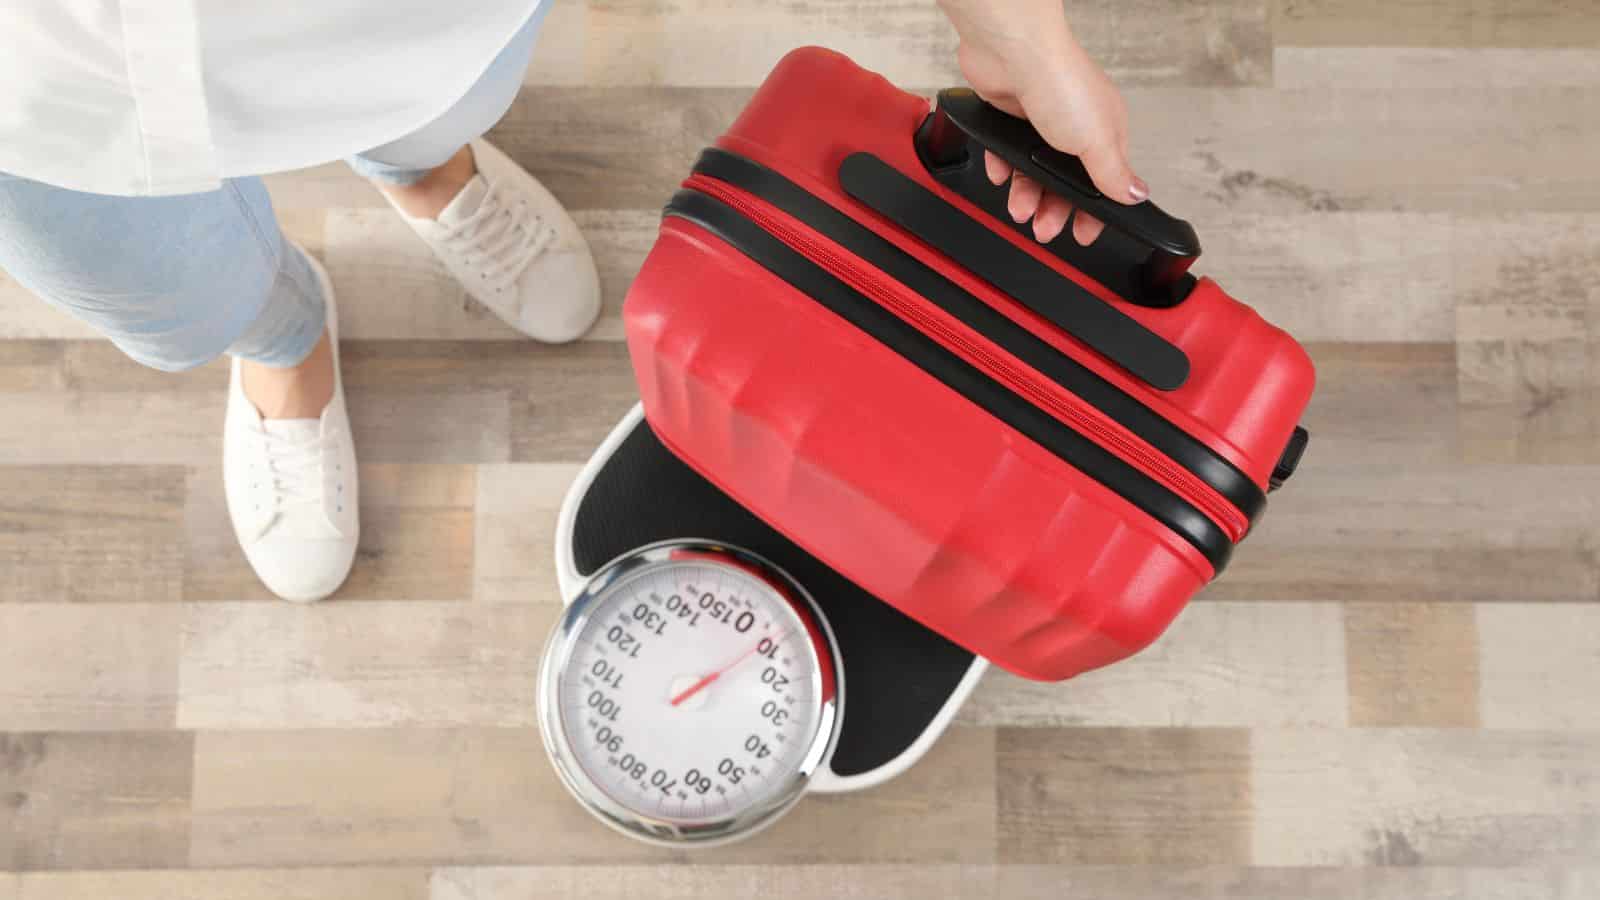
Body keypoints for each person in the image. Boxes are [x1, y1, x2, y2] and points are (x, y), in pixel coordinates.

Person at [0, 0, 1144, 602]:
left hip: (383, 16)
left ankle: (427, 174)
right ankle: (280, 341)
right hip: (32, 88)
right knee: (172, 294)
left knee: (441, 99)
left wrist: (1011, 25)